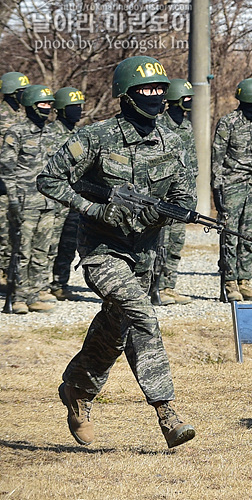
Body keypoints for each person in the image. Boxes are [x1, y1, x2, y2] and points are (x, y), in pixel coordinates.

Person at [37, 55, 196, 448]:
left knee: (116, 330)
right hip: (101, 252)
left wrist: (153, 216)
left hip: (144, 255)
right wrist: (96, 209)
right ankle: (166, 411)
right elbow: (49, 179)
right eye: (146, 89)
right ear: (126, 95)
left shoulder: (173, 141)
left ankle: (77, 389)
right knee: (142, 316)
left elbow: (183, 197)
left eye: (160, 88)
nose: (156, 95)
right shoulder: (95, 137)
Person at [0, 84, 58, 314]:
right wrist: (13, 200)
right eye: (43, 103)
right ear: (31, 105)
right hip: (24, 202)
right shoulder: (16, 132)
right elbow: (7, 169)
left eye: (49, 104)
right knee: (22, 251)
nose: (47, 108)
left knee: (41, 251)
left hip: (48, 203)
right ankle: (18, 296)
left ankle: (34, 294)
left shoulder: (52, 133)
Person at [211, 77, 252, 302]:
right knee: (230, 235)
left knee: (248, 235)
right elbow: (217, 158)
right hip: (231, 186)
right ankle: (230, 283)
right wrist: (217, 189)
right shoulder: (228, 122)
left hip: (251, 186)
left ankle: (245, 281)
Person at [155, 78, 197, 305]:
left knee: (176, 242)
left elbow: (191, 161)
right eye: (186, 98)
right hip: (162, 194)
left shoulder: (187, 126)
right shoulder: (159, 124)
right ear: (175, 100)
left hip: (180, 195)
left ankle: (169, 287)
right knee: (159, 243)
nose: (190, 102)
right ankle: (153, 288)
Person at [45, 87, 85, 301]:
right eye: (73, 107)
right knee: (48, 244)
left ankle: (60, 284)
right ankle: (41, 286)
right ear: (61, 109)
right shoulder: (49, 134)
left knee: (69, 245)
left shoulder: (81, 135)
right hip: (53, 201)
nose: (77, 111)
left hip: (74, 199)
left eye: (79, 106)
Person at [0, 71, 30, 289]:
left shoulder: (24, 116)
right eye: (21, 92)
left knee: (16, 230)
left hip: (20, 181)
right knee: (2, 229)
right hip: (2, 180)